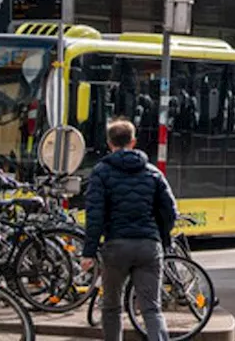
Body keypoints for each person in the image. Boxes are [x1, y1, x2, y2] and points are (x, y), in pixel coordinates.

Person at [81, 120, 178, 341]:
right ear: (133, 142)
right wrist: (161, 237)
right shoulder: (152, 172)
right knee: (152, 309)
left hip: (116, 246)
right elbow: (170, 211)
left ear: (109, 143)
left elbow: (94, 215)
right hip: (148, 246)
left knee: (112, 307)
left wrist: (89, 252)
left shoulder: (101, 172)